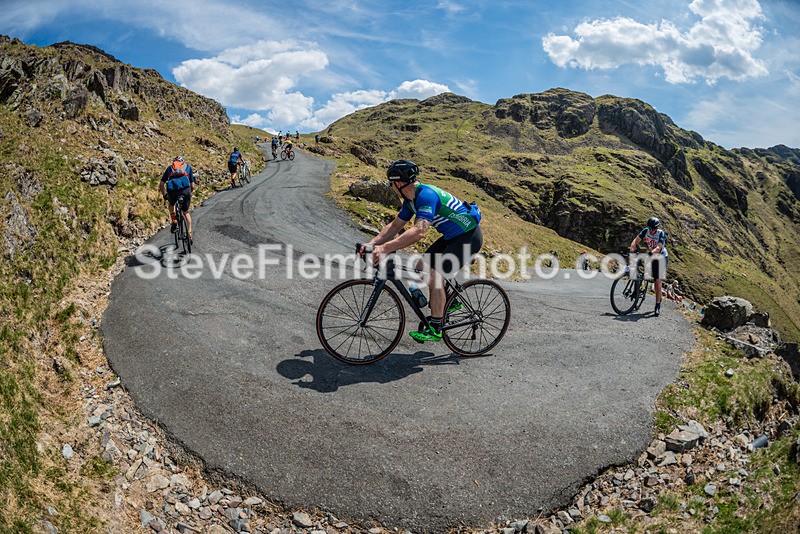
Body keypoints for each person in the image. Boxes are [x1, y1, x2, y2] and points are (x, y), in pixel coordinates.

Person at [362, 160, 483, 342]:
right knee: (421, 266)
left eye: (391, 184)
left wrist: (385, 248)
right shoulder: (410, 201)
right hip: (453, 237)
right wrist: (371, 244)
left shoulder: (426, 196)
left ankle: (436, 328)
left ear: (399, 183)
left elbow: (420, 231)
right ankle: (451, 300)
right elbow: (395, 227)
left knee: (435, 276)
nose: (391, 188)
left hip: (469, 237)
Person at [629, 216, 668, 316]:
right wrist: (632, 249)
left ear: (656, 228)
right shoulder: (645, 231)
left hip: (661, 257)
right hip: (651, 254)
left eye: (653, 229)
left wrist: (651, 253)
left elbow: (658, 248)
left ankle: (657, 305)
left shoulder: (661, 233)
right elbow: (635, 240)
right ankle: (638, 290)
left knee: (657, 282)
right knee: (640, 272)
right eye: (649, 228)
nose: (650, 231)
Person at [158, 156, 196, 242]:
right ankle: (189, 233)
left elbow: (161, 184)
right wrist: (190, 193)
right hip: (186, 190)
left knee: (171, 204)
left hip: (173, 190)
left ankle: (174, 219)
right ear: (182, 162)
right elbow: (192, 185)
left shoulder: (170, 168)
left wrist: (164, 195)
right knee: (185, 212)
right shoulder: (188, 167)